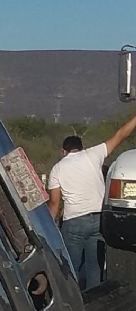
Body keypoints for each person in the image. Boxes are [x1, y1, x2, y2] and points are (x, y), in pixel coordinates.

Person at [48, 114, 136, 289]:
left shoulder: (57, 169)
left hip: (73, 223)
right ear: (82, 148)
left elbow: (55, 204)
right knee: (95, 267)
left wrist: (48, 231)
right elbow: (120, 135)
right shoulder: (93, 154)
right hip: (99, 220)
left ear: (63, 151)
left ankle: (74, 303)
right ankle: (96, 302)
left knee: (70, 269)